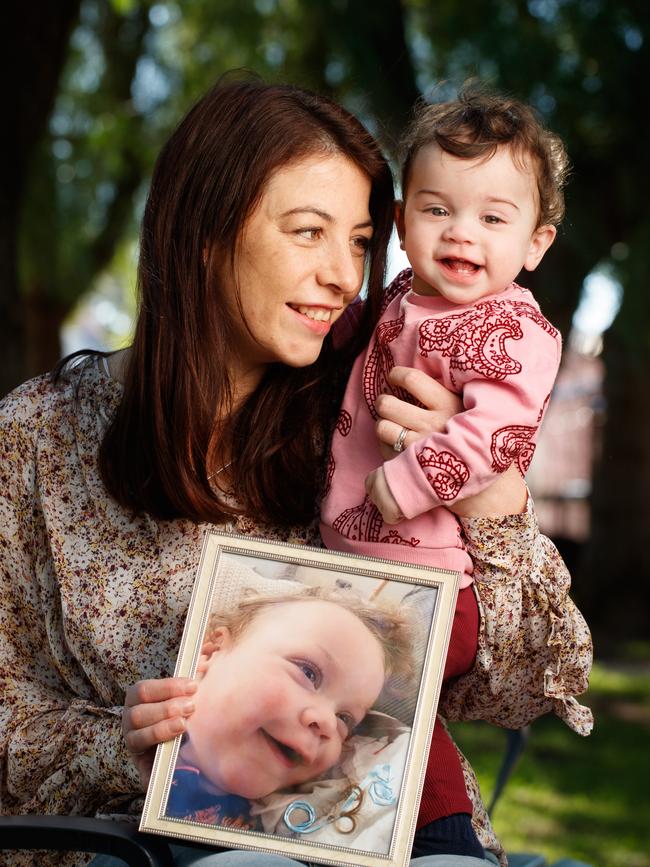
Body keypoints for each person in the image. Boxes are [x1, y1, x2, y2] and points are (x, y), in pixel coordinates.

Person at [0, 74, 592, 867]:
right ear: (205, 232)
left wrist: (490, 493)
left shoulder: (366, 402)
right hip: (138, 846)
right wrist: (126, 746)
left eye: (357, 242)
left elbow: (514, 689)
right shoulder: (37, 434)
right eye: (309, 232)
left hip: (391, 840)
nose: (344, 277)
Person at [320, 85, 570, 860]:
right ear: (400, 224)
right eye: (437, 209)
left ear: (536, 242)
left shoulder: (513, 328)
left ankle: (445, 836)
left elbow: (493, 432)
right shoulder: (400, 298)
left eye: (495, 217)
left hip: (433, 578)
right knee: (347, 701)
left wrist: (409, 482)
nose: (463, 232)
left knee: (388, 698)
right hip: (355, 564)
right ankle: (349, 828)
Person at [165, 586, 412, 831]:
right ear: (212, 652)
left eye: (344, 718)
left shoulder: (295, 821)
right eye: (308, 672)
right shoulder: (138, 743)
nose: (327, 720)